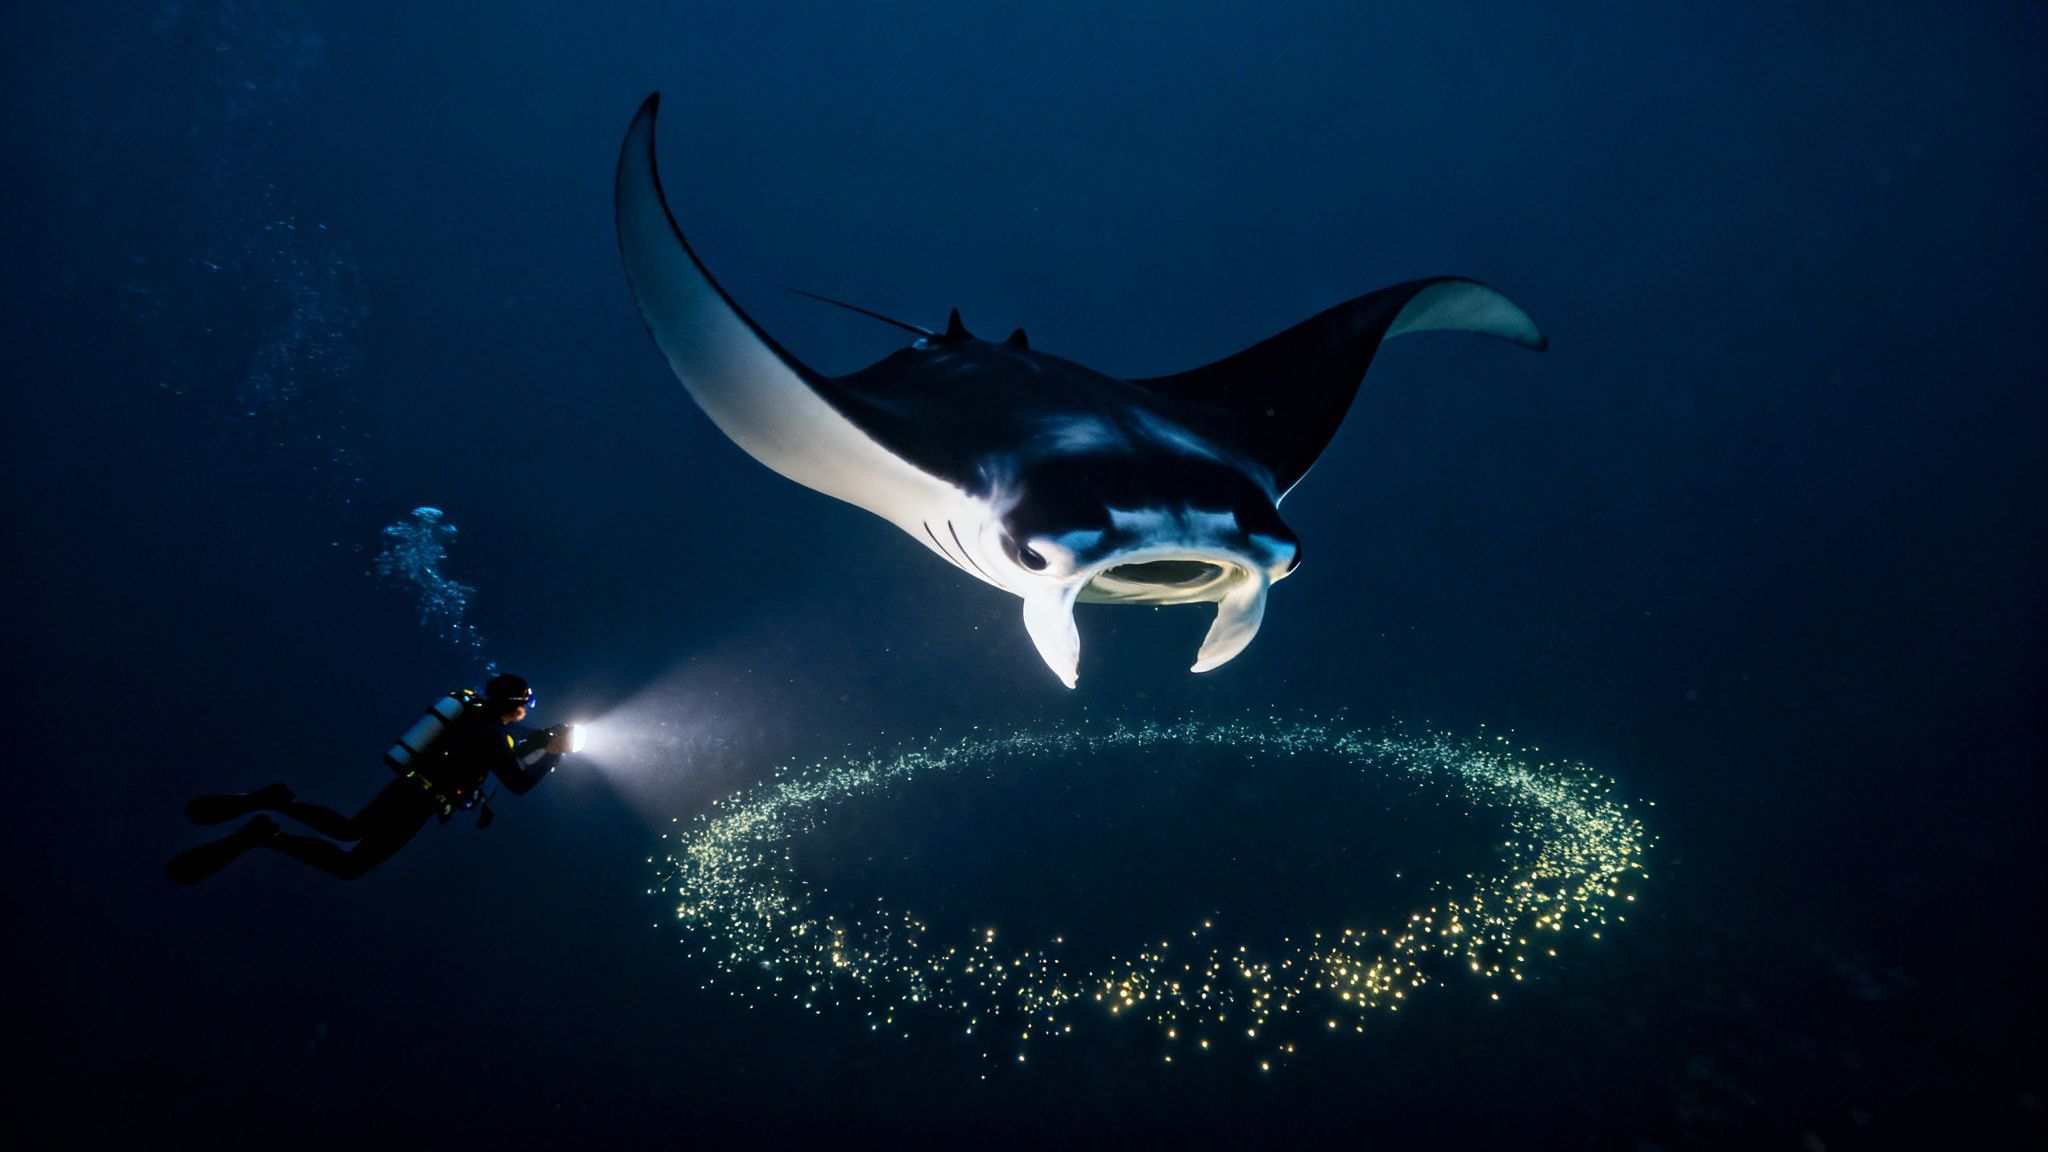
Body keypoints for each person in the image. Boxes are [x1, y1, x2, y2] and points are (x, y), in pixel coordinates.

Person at [166, 673, 575, 884]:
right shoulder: (490, 734)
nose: (528, 709)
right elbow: (517, 784)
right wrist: (551, 758)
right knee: (349, 863)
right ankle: (267, 831)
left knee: (349, 830)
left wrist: (541, 740)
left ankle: (273, 807)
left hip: (409, 788)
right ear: (516, 705)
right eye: (527, 704)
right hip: (418, 802)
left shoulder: (478, 720)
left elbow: (502, 749)